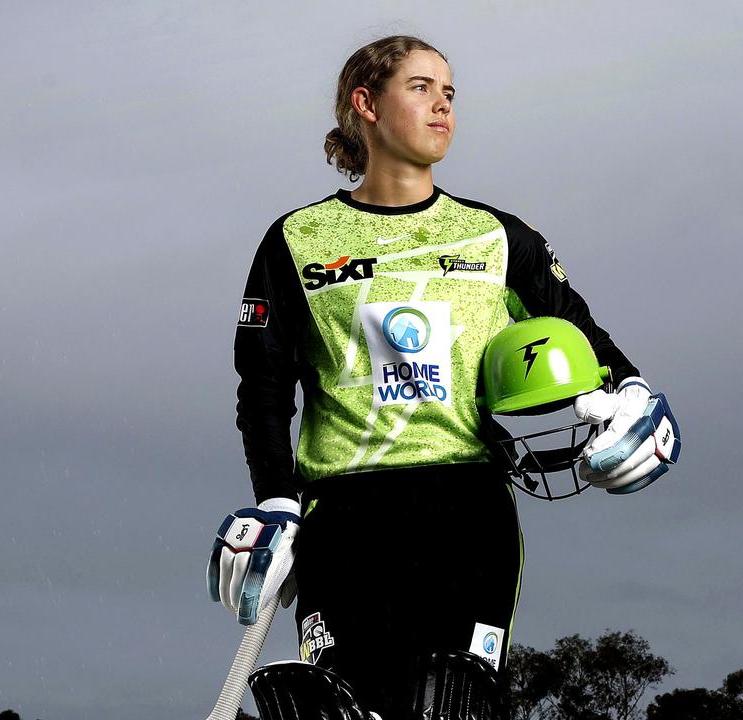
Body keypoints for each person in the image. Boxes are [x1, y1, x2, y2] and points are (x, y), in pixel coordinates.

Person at [209, 35, 675, 720]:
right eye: (421, 88)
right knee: (335, 707)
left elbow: (591, 342)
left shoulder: (496, 236)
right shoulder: (296, 240)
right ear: (365, 105)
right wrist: (276, 502)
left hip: (465, 510)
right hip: (341, 517)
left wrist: (635, 402)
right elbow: (264, 387)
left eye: (450, 93)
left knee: (452, 707)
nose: (442, 106)